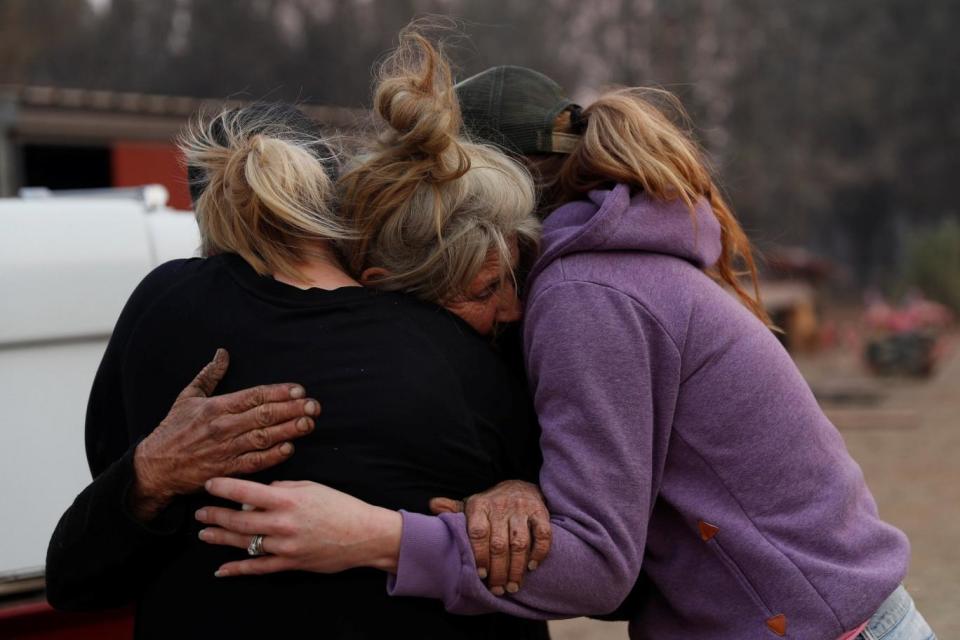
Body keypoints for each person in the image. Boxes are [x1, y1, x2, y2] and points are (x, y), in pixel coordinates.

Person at [196, 66, 937, 639]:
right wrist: (518, 485)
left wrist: (372, 537)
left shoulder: (587, 295)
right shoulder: (605, 270)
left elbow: (597, 568)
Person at [45, 61, 552, 638]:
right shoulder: (450, 347)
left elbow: (78, 577)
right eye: (489, 288)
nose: (510, 308)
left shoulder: (168, 308)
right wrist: (522, 486)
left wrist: (151, 471)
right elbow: (589, 552)